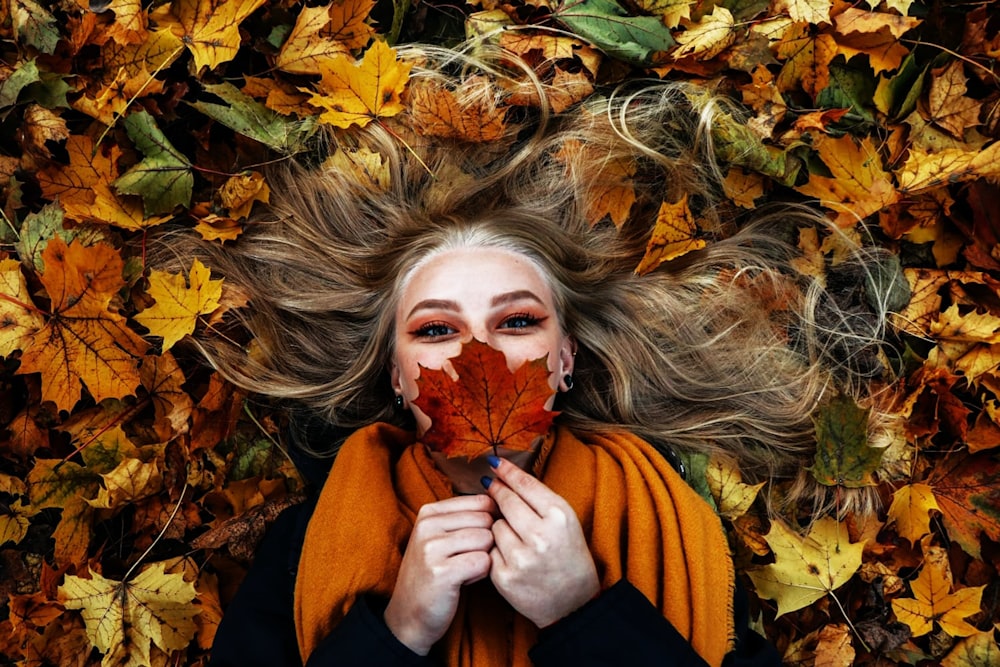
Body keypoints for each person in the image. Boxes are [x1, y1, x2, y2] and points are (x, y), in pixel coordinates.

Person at [185, 44, 893, 666]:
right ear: (396, 376)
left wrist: (585, 614)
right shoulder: (307, 542)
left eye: (517, 320)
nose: (477, 353)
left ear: (564, 359)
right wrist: (395, 634)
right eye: (434, 330)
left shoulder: (662, 514)